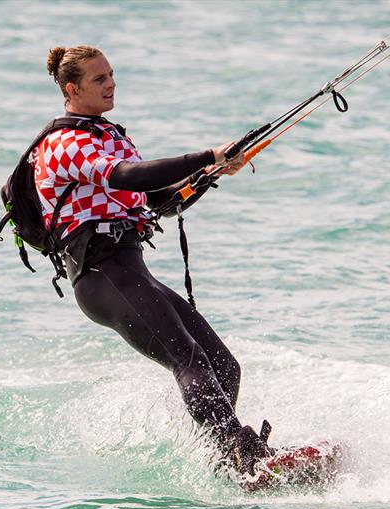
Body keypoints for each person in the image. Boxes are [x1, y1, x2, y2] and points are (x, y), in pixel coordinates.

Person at [35, 45, 273, 479]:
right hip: (101, 274)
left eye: (111, 75)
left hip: (130, 268)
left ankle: (226, 459)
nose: (110, 85)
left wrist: (211, 173)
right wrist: (206, 154)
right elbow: (129, 176)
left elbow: (156, 200)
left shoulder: (109, 136)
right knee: (190, 360)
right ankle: (242, 459)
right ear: (72, 89)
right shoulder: (63, 144)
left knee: (223, 366)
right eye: (98, 80)